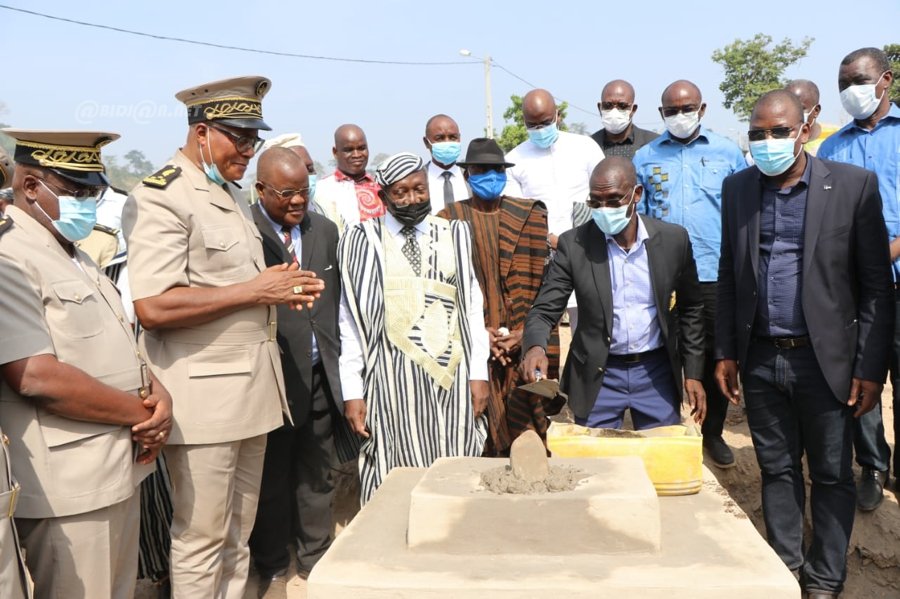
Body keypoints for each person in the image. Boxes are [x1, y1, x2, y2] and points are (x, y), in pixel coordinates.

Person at [122, 76, 325, 599]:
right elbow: (153, 305)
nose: (249, 150)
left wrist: (283, 289)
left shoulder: (228, 194)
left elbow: (234, 286)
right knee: (202, 536)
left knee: (238, 534)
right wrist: (257, 290)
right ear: (203, 131)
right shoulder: (162, 195)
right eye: (240, 137)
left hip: (252, 394)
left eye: (255, 138)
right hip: (203, 401)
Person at [716, 89, 893, 598]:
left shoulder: (853, 188)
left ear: (805, 130)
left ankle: (825, 580)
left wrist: (869, 367)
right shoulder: (738, 190)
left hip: (827, 362)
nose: (767, 141)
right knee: (776, 469)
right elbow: (730, 275)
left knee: (834, 475)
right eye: (757, 133)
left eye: (778, 132)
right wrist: (726, 351)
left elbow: (876, 286)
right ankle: (786, 571)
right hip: (762, 359)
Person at [0, 129, 173, 599]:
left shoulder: (74, 252)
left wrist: (159, 393)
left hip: (116, 464)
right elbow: (35, 376)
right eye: (76, 191)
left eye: (94, 191)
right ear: (31, 187)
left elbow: (117, 339)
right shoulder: (9, 255)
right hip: (68, 483)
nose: (88, 203)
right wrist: (142, 415)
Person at [338, 152, 490, 503]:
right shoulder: (357, 242)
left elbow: (472, 310)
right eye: (401, 192)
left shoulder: (455, 234)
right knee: (394, 478)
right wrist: (353, 392)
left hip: (451, 382)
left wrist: (478, 373)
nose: (412, 199)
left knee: (455, 473)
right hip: (389, 385)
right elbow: (350, 323)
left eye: (419, 189)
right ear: (383, 196)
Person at [521, 157, 706, 431]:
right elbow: (544, 310)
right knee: (596, 465)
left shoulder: (673, 240)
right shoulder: (575, 245)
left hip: (655, 372)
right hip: (599, 373)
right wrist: (535, 347)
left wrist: (693, 372)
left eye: (614, 200)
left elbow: (691, 308)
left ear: (637, 195)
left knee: (658, 460)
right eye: (595, 202)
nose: (604, 209)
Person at [249, 147, 358, 597]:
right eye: (286, 194)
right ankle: (273, 563)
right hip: (270, 379)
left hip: (318, 374)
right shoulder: (245, 234)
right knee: (272, 477)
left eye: (304, 192)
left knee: (319, 472)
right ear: (260, 191)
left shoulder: (325, 229)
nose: (297, 202)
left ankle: (316, 557)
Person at [633, 79, 747, 468]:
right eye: (671, 111)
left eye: (687, 108)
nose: (679, 116)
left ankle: (711, 433)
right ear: (661, 114)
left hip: (715, 270)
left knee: (716, 352)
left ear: (702, 108)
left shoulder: (728, 153)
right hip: (665, 273)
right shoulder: (646, 157)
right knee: (666, 349)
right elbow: (639, 216)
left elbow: (742, 212)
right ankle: (665, 427)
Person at [437, 138, 561, 455]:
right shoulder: (447, 220)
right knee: (477, 441)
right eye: (481, 170)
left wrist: (526, 334)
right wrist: (479, 336)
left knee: (529, 441)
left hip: (523, 342)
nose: (490, 175)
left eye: (496, 169)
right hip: (472, 346)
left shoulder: (530, 215)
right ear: (467, 175)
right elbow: (440, 293)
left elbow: (550, 287)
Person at [818, 47, 898, 512]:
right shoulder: (832, 147)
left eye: (859, 80)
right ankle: (871, 465)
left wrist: (883, 253)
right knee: (862, 377)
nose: (851, 91)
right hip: (855, 291)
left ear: (885, 80)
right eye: (843, 84)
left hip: (895, 276)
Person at [503, 88, 605, 331]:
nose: (540, 130)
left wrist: (576, 241)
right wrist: (551, 239)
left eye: (546, 122)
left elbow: (602, 195)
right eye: (533, 124)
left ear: (557, 116)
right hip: (542, 254)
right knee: (543, 326)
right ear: (524, 122)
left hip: (587, 250)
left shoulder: (585, 147)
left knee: (589, 327)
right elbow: (518, 214)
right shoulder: (514, 160)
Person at [314, 124, 381, 231]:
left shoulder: (381, 188)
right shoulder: (320, 190)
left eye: (362, 148)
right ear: (335, 152)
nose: (356, 155)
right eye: (348, 150)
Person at [590, 79, 659, 159]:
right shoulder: (588, 145)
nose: (614, 111)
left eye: (622, 106)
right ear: (600, 108)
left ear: (633, 109)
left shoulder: (654, 144)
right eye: (608, 105)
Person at [423, 114, 469, 214]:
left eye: (453, 137)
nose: (447, 142)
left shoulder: (471, 177)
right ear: (426, 142)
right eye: (440, 138)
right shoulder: (418, 179)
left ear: (459, 139)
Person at [785, 79, 824, 155]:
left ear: (816, 111)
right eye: (787, 108)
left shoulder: (835, 138)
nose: (793, 114)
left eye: (800, 108)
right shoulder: (778, 141)